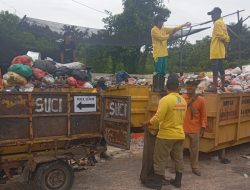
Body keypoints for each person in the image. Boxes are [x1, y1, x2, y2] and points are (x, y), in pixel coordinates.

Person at [142, 74, 187, 189]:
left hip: (166, 135)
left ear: (167, 87)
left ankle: (157, 183)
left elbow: (158, 117)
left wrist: (148, 123)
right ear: (178, 87)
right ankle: (178, 181)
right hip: (179, 134)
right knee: (178, 158)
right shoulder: (183, 100)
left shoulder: (165, 100)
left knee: (160, 158)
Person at [151, 15, 190, 91]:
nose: (162, 23)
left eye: (163, 21)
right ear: (157, 21)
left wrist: (183, 25)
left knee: (162, 72)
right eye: (161, 21)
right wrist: (170, 35)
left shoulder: (163, 29)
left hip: (164, 54)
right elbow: (161, 38)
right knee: (157, 71)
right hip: (157, 54)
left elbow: (173, 29)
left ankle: (161, 87)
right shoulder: (154, 30)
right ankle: (156, 87)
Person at [182, 79, 207, 176]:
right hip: (182, 128)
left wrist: (203, 126)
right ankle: (177, 167)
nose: (189, 87)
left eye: (192, 86)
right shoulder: (181, 98)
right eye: (188, 85)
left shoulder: (200, 100)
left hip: (195, 129)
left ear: (195, 87)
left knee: (194, 151)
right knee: (178, 149)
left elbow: (204, 115)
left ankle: (194, 167)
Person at [207, 7, 230, 92]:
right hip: (221, 50)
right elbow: (227, 37)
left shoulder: (217, 23)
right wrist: (226, 45)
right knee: (221, 67)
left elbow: (221, 36)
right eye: (211, 15)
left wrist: (225, 40)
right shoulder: (223, 23)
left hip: (216, 49)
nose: (211, 16)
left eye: (213, 14)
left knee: (215, 68)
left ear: (218, 14)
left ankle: (214, 86)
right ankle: (222, 86)